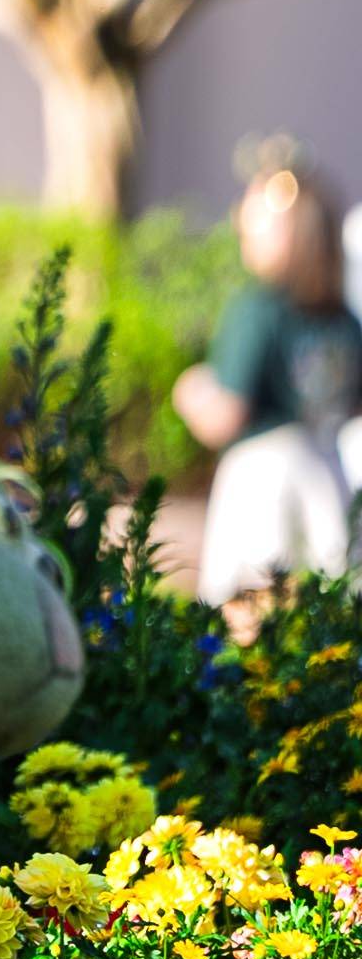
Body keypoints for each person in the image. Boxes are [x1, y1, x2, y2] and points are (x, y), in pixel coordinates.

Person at [176, 144, 362, 613]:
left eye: (254, 220)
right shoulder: (342, 318)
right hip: (328, 476)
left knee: (253, 612)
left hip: (264, 479)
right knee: (325, 613)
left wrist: (192, 392)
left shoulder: (256, 309)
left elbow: (226, 415)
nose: (242, 226)